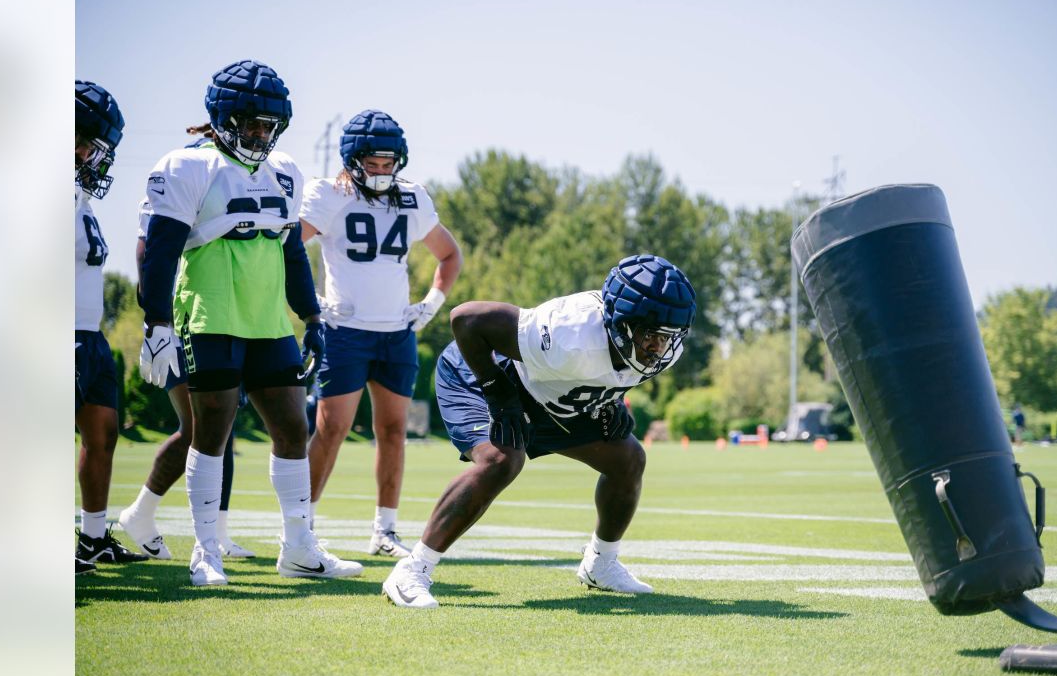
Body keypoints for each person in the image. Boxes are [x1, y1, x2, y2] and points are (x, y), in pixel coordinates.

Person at [138, 59, 361, 586]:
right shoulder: (187, 166)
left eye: (269, 125)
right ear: (223, 118)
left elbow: (291, 253)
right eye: (251, 123)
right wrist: (157, 324)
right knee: (212, 432)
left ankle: (299, 546)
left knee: (292, 426)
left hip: (268, 321)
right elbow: (160, 253)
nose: (261, 134)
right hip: (211, 312)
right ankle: (207, 550)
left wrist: (311, 316)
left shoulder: (284, 170)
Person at [383, 254, 696, 609]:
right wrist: (498, 392)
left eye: (667, 337)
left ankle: (601, 564)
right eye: (650, 335)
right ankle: (412, 570)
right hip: (484, 374)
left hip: (552, 394)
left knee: (628, 459)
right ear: (621, 323)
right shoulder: (567, 331)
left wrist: (612, 403)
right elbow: (466, 319)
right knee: (502, 459)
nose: (659, 347)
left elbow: (612, 371)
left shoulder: (666, 349)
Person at [300, 110, 462, 556]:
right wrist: (309, 303)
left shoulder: (411, 198)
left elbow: (449, 255)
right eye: (372, 163)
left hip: (395, 332)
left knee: (393, 432)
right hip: (345, 330)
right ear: (353, 160)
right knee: (331, 429)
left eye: (389, 163)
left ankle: (384, 531)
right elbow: (288, 248)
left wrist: (431, 304)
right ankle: (301, 527)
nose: (381, 171)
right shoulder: (330, 195)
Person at [119, 180, 253, 561]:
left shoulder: (231, 177)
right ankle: (142, 513)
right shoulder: (182, 180)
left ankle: (218, 533)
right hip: (184, 318)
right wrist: (156, 321)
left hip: (221, 315)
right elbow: (148, 249)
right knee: (200, 426)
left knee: (220, 426)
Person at [74, 80, 150, 575]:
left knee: (103, 434)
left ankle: (93, 539)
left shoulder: (77, 193)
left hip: (90, 335)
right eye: (94, 147)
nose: (98, 159)